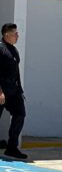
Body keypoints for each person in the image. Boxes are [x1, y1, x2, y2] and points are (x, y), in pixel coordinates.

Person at [0, 23, 27, 160]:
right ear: (6, 35)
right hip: (1, 90)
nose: (17, 36)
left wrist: (20, 90)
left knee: (20, 114)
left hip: (13, 91)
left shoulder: (14, 50)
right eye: (15, 34)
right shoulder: (0, 48)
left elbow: (16, 73)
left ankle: (11, 148)